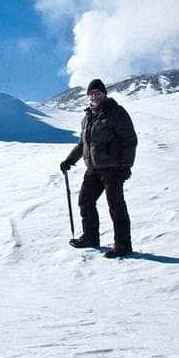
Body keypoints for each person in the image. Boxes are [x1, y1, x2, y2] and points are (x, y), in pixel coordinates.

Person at [59, 78, 137, 257]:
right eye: (91, 93)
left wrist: (125, 165)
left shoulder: (116, 113)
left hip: (113, 168)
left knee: (116, 206)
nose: (94, 96)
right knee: (85, 201)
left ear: (104, 94)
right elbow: (82, 144)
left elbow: (130, 140)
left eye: (98, 93)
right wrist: (69, 160)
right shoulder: (87, 117)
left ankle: (123, 245)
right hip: (93, 169)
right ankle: (90, 237)